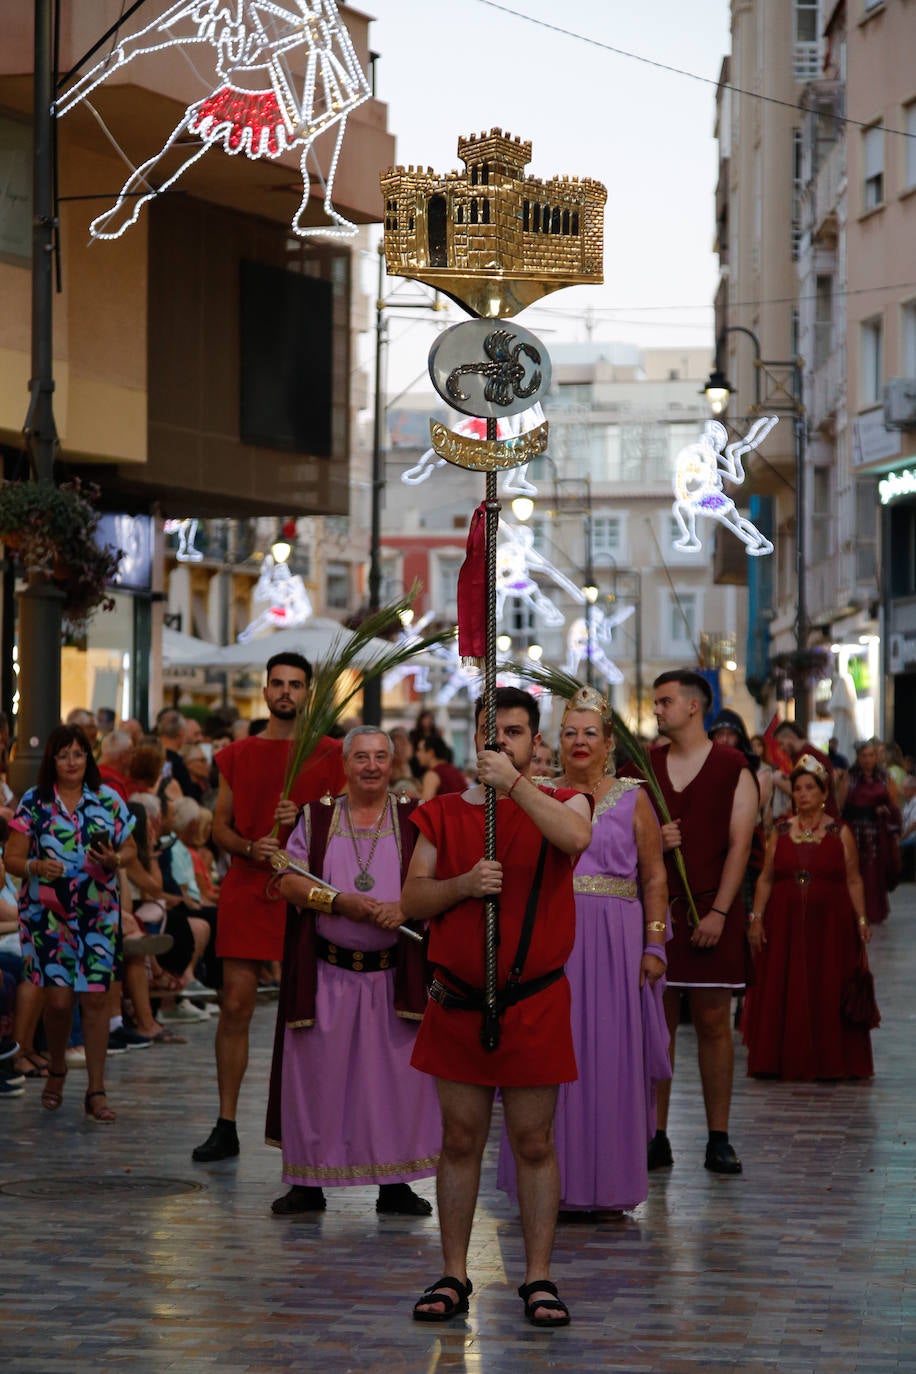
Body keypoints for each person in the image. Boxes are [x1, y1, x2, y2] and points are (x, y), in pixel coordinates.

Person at [403, 686, 591, 1328]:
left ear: (535, 743)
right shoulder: (442, 813)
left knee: (534, 1142)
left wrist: (514, 787)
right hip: (457, 1000)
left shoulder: (563, 800)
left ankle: (537, 1276)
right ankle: (454, 1272)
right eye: (492, 731)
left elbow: (575, 838)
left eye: (514, 732)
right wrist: (461, 885)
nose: (501, 742)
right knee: (459, 1140)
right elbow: (412, 901)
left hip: (533, 999)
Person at [497, 686, 670, 1215]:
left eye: (589, 732)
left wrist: (655, 940)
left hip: (615, 942)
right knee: (550, 1055)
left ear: (608, 741)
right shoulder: (539, 795)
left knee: (609, 1055)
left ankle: (607, 1186)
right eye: (570, 732)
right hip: (553, 936)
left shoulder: (633, 797)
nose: (579, 741)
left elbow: (654, 874)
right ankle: (548, 1185)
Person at [265, 726, 440, 1216]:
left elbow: (434, 880)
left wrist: (404, 910)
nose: (370, 766)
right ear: (345, 764)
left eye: (380, 757)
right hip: (326, 976)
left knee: (393, 1086)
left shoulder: (413, 817)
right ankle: (307, 1180)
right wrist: (340, 902)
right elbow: (288, 881)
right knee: (316, 1078)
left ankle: (396, 1183)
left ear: (393, 762)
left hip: (392, 977)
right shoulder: (317, 817)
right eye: (361, 757)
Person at [192, 652, 345, 1163]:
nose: (285, 692)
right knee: (235, 1003)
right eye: (277, 683)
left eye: (295, 685)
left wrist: (304, 818)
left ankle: (311, 1124)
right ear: (264, 691)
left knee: (306, 1010)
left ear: (308, 693)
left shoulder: (330, 754)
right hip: (246, 884)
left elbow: (346, 824)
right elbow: (219, 826)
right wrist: (247, 846)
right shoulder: (236, 753)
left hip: (302, 889)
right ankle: (226, 1121)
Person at [627, 670, 758, 1176]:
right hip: (656, 916)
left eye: (665, 702)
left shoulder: (732, 768)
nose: (656, 710)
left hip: (710, 912)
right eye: (656, 702)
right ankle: (655, 1135)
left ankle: (718, 1135)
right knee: (656, 1028)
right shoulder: (641, 767)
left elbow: (739, 846)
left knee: (712, 1025)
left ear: (693, 707)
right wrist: (654, 840)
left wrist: (721, 913)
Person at [4, 724, 137, 1122]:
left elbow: (130, 847)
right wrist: (35, 865)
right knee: (58, 1001)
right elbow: (11, 859)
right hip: (47, 916)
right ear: (52, 760)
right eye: (64, 755)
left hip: (97, 914)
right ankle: (58, 1067)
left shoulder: (107, 799)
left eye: (79, 754)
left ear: (88, 757)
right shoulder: (34, 802)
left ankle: (96, 1089)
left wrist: (115, 861)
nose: (72, 762)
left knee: (96, 999)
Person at [743, 755, 873, 1080]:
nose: (802, 794)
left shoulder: (839, 832)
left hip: (831, 926)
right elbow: (766, 878)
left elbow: (854, 879)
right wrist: (756, 917)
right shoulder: (781, 830)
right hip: (784, 924)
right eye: (797, 788)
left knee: (828, 982)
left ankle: (831, 1062)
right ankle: (778, 1059)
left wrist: (861, 920)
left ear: (823, 792)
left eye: (809, 788)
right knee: (783, 985)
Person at [842, 739, 901, 926]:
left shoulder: (884, 777)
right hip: (855, 830)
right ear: (858, 757)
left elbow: (894, 804)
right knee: (855, 869)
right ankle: (856, 911)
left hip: (877, 832)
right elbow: (842, 804)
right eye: (863, 756)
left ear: (876, 757)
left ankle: (874, 912)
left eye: (871, 755)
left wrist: (886, 812)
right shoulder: (849, 777)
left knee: (875, 871)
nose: (867, 759)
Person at [416, 734, 468, 800]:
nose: (417, 754)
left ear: (430, 753)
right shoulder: (456, 771)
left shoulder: (432, 775)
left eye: (420, 750)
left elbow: (424, 806)